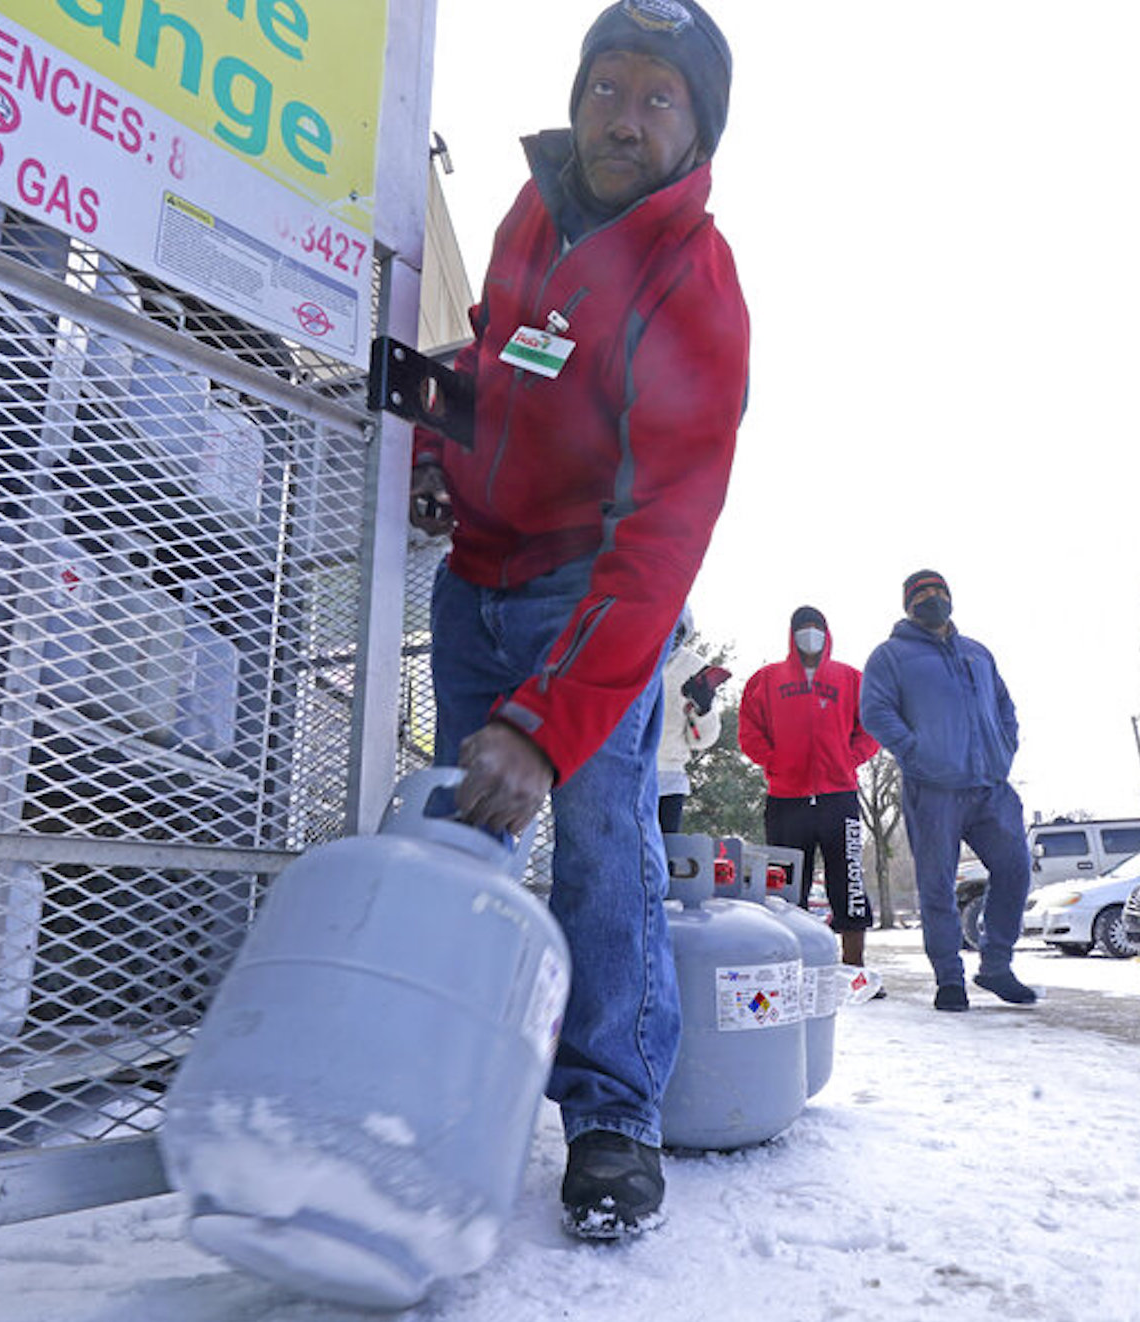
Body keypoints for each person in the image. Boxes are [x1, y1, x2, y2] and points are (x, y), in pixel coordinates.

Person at [408, 0, 746, 1238]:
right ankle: (447, 1082)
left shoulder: (695, 280)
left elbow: (660, 537)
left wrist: (547, 722)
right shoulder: (530, 210)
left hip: (586, 597)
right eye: (610, 86)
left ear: (698, 129)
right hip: (475, 583)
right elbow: (511, 357)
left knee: (602, 840)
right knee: (464, 839)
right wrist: (448, 427)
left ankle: (613, 1117)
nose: (627, 115)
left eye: (662, 98)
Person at [860, 571, 1038, 1012]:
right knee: (937, 886)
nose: (932, 598)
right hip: (933, 789)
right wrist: (913, 752)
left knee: (1015, 869)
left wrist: (1004, 750)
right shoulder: (891, 656)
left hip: (990, 786)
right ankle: (949, 979)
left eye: (939, 591)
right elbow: (875, 711)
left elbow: (1004, 706)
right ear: (907, 605)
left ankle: (996, 966)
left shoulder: (978, 653)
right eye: (921, 594)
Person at [737, 606, 880, 964]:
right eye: (803, 627)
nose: (810, 633)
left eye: (816, 627)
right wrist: (775, 762)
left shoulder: (851, 679)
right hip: (786, 798)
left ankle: (854, 965)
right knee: (785, 885)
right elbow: (749, 730)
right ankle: (789, 963)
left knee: (847, 880)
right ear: (792, 633)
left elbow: (871, 727)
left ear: (827, 632)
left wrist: (848, 759)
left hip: (839, 797)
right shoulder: (766, 680)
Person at [656, 605, 724, 832]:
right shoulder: (627, 656)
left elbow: (701, 740)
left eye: (678, 631)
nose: (670, 637)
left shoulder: (694, 668)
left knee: (663, 856)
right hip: (622, 774)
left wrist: (703, 710)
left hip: (667, 781)